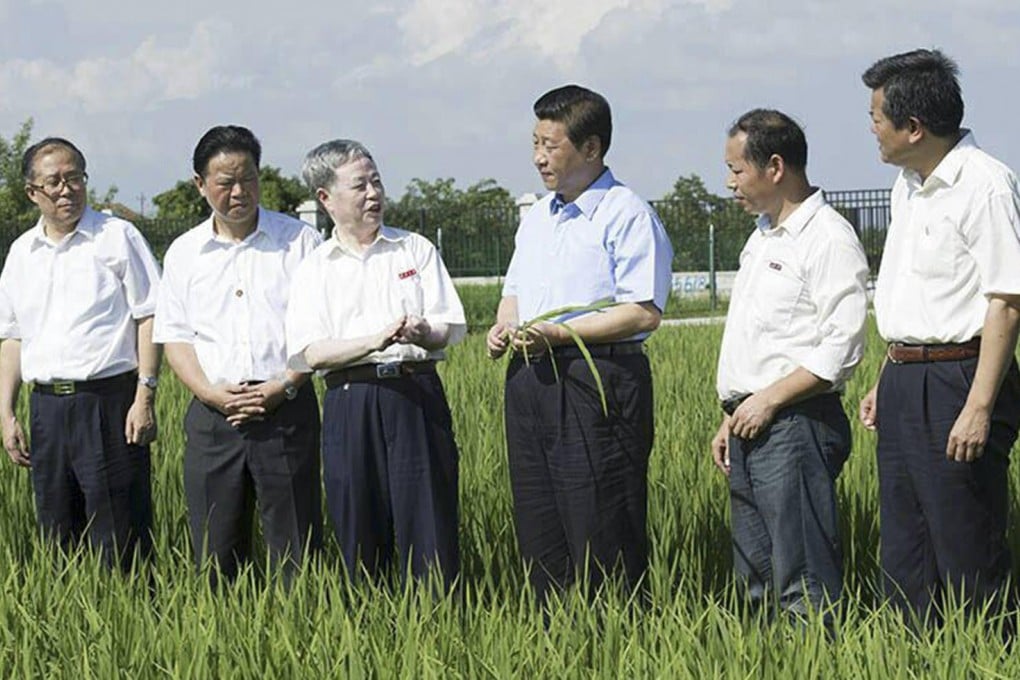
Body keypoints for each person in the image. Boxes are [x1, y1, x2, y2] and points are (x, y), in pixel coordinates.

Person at [485, 84, 673, 602]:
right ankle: (554, 633)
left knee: (601, 516)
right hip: (530, 379)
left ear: (590, 148)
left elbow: (643, 311)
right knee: (539, 515)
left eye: (551, 144)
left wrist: (557, 333)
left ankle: (615, 629)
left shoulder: (626, 213)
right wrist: (505, 328)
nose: (539, 157)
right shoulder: (538, 218)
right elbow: (515, 292)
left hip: (597, 379)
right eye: (535, 143)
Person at [858, 49, 1020, 623]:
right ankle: (913, 654)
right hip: (906, 378)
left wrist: (979, 408)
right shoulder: (908, 184)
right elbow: (913, 295)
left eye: (878, 116)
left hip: (961, 379)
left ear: (914, 127)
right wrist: (887, 374)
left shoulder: (986, 185)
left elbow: (1005, 301)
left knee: (966, 545)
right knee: (904, 545)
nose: (871, 128)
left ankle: (980, 654)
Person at [710, 109, 869, 622]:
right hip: (750, 422)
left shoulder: (827, 238)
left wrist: (769, 399)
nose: (730, 181)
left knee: (801, 579)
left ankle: (813, 662)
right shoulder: (761, 237)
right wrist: (734, 412)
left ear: (774, 167)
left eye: (737, 169)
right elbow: (762, 342)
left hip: (795, 425)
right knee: (755, 580)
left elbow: (840, 346)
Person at [286, 139, 465, 585]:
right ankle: (368, 629)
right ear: (325, 198)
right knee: (358, 519)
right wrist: (374, 340)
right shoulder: (315, 268)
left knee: (429, 519)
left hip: (416, 394)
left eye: (377, 181)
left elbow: (449, 326)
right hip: (351, 400)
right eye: (359, 185)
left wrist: (424, 333)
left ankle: (437, 620)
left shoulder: (413, 249)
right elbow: (311, 352)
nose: (374, 194)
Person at [154, 125, 323, 583]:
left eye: (247, 178)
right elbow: (176, 339)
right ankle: (225, 641)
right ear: (200, 184)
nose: (238, 191)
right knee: (215, 552)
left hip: (286, 410)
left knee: (297, 551)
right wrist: (212, 394)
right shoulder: (185, 253)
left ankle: (304, 635)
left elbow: (317, 332)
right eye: (224, 182)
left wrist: (284, 384)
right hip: (215, 418)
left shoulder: (300, 242)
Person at [0, 137, 161, 570]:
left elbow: (149, 316)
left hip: (109, 403)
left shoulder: (117, 236)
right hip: (47, 408)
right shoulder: (21, 254)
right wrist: (7, 412)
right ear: (32, 192)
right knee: (56, 529)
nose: (66, 189)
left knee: (120, 531)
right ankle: (73, 616)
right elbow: (12, 337)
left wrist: (145, 394)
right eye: (53, 182)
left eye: (74, 178)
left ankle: (131, 619)